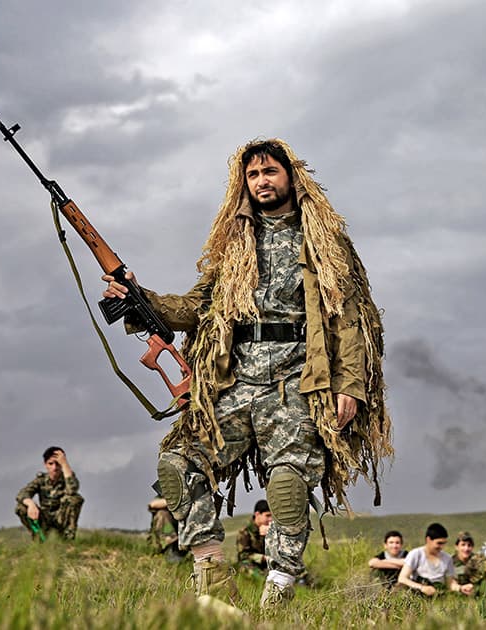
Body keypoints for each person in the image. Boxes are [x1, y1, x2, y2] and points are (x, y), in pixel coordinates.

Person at [103, 139, 391, 608]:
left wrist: (350, 385)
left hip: (298, 384)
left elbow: (348, 317)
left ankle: (278, 592)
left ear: (291, 176)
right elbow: (196, 306)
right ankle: (212, 575)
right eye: (253, 175)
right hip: (233, 382)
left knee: (287, 487)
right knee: (176, 467)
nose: (262, 181)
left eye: (270, 171)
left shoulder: (322, 239)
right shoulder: (233, 245)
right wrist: (140, 298)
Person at [15, 446, 84, 541]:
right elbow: (22, 493)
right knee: (21, 507)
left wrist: (64, 464)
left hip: (61, 520)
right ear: (45, 464)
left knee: (75, 499)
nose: (54, 468)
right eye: (50, 464)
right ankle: (38, 538)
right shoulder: (41, 480)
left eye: (57, 464)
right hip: (45, 520)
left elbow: (72, 490)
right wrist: (31, 504)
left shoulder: (67, 478)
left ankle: (68, 540)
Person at [397, 523, 467, 596]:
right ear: (428, 540)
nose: (442, 547)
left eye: (444, 543)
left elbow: (450, 584)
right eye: (439, 543)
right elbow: (402, 578)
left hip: (439, 596)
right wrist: (422, 588)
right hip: (417, 595)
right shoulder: (416, 554)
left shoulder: (447, 558)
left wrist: (461, 588)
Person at [237, 499, 272, 576]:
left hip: (268, 564)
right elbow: (243, 556)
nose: (270, 519)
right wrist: (263, 558)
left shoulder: (272, 531)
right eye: (267, 515)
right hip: (252, 565)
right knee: (245, 565)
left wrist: (268, 537)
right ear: (257, 514)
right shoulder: (245, 532)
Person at [148, 495, 187, 562]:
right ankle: (171, 548)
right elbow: (153, 504)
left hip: (182, 533)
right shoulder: (166, 493)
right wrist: (178, 502)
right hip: (165, 538)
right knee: (162, 514)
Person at [450, 532, 483, 596]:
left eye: (469, 545)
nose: (466, 549)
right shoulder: (449, 562)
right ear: (457, 547)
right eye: (463, 545)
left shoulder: (478, 560)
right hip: (457, 592)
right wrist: (460, 588)